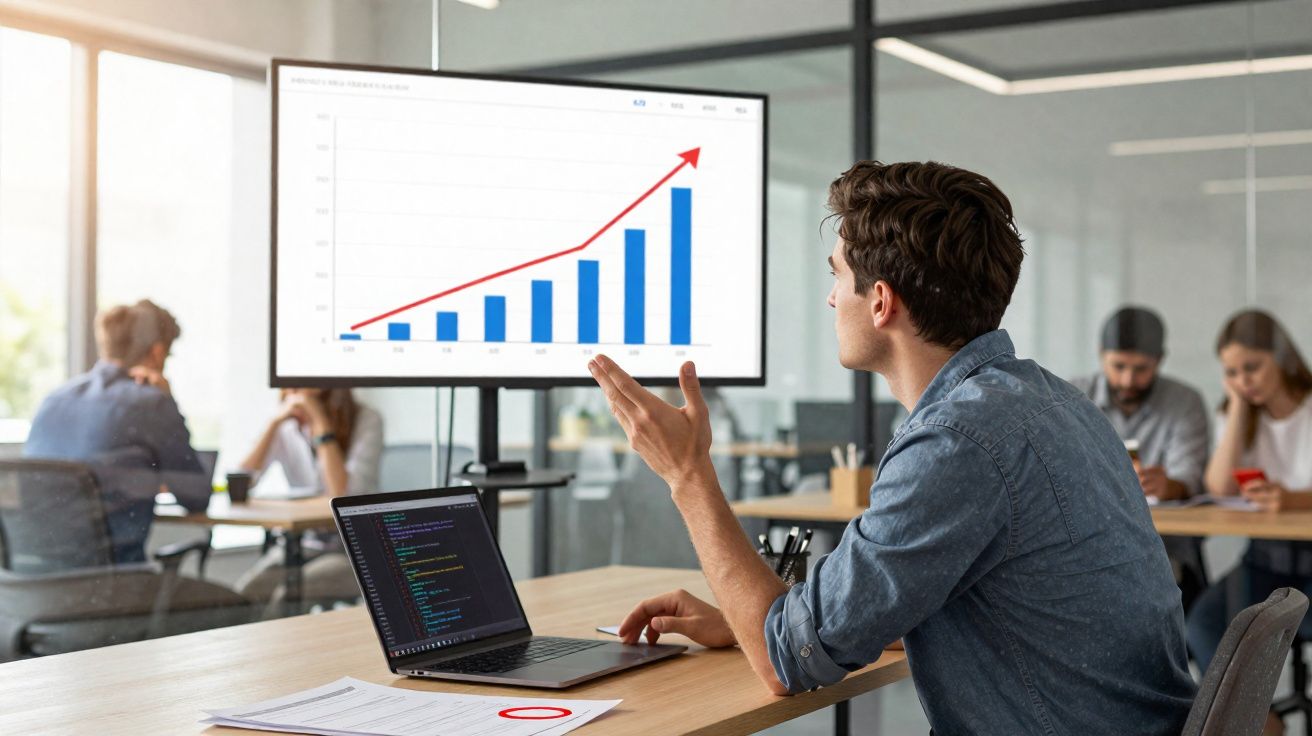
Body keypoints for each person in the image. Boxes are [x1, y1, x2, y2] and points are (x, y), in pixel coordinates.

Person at [588, 161, 1195, 734]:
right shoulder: (1054, 403)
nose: (830, 298)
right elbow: (991, 608)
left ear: (880, 301)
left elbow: (785, 666)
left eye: (836, 275)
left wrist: (688, 474)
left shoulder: (958, 444)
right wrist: (746, 621)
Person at [23, 300, 210, 563]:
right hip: (111, 587)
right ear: (157, 354)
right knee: (232, 599)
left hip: (34, 585)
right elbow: (197, 496)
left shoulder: (53, 400)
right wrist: (169, 400)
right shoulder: (151, 403)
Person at [1187, 310, 1312, 674]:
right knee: (1204, 626)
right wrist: (1239, 407)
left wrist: (1292, 500)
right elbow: (1219, 487)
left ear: (1282, 358)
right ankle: (1260, 726)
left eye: (1252, 367)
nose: (1244, 380)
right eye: (1232, 372)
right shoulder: (1237, 413)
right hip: (1264, 558)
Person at [1070, 307, 1211, 610]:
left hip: (1163, 545)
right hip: (1087, 541)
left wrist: (1169, 486)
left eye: (1141, 369)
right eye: (1118, 365)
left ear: (1159, 360)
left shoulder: (1184, 401)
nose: (1128, 379)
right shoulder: (1073, 395)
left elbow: (1190, 478)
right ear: (1101, 355)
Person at [233, 388, 382, 603]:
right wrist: (274, 424)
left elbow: (343, 496)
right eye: (290, 391)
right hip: (302, 544)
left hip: (351, 552)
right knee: (245, 595)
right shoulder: (288, 427)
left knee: (287, 596)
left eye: (304, 393)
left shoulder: (366, 420)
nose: (296, 399)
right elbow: (242, 481)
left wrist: (321, 424)